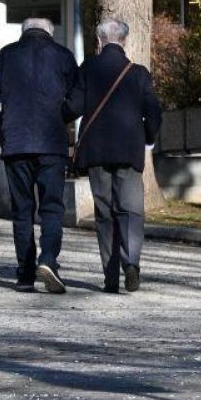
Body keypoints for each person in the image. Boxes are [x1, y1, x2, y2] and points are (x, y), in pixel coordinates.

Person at [0, 17, 79, 293]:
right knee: (52, 207)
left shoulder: (7, 55)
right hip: (51, 144)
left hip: (16, 143)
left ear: (24, 32)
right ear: (49, 32)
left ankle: (24, 274)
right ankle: (48, 259)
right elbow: (80, 98)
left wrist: (0, 126)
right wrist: (62, 117)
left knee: (22, 211)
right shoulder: (63, 56)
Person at [66, 17, 162, 294]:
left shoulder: (88, 68)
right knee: (130, 210)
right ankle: (130, 262)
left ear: (99, 41)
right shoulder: (138, 73)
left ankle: (110, 278)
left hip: (96, 150)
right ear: (124, 40)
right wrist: (148, 138)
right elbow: (154, 112)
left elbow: (73, 107)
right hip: (129, 149)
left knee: (105, 213)